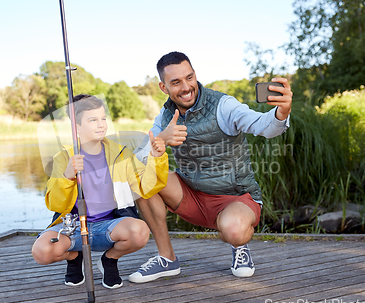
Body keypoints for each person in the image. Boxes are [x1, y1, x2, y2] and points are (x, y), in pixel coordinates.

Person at [129, 51, 292, 283]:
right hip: (191, 196)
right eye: (176, 82)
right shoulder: (165, 117)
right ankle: (167, 258)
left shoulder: (223, 105)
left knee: (234, 230)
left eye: (189, 77)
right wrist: (161, 139)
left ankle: (239, 246)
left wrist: (281, 112)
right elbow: (139, 158)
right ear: (164, 88)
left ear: (195, 75)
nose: (186, 87)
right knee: (140, 173)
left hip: (234, 197)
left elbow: (262, 125)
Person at [32, 94, 169, 289]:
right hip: (75, 229)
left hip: (110, 227)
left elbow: (145, 188)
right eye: (93, 120)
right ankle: (74, 257)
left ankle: (109, 260)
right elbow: (56, 204)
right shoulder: (64, 158)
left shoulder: (121, 154)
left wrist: (157, 158)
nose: (101, 124)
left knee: (140, 232)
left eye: (103, 118)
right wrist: (67, 176)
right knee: (42, 251)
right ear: (76, 128)